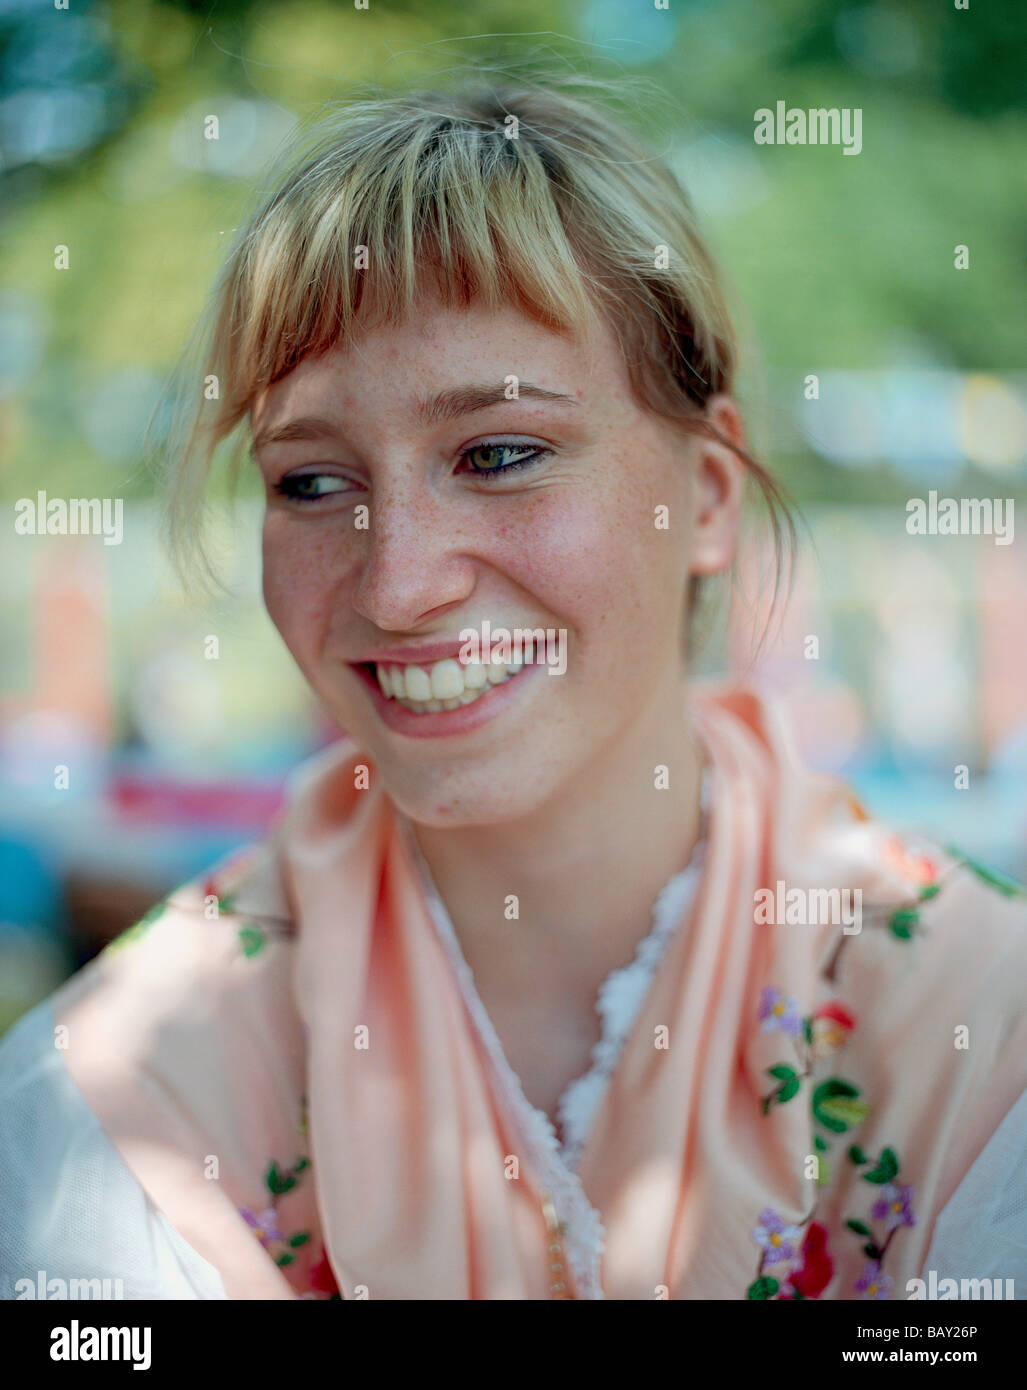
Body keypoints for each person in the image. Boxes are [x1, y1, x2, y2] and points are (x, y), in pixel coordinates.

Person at [2, 79, 1025, 1302]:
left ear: (703, 499)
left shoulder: (981, 1043)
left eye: (498, 454)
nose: (398, 584)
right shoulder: (123, 1094)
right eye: (312, 483)